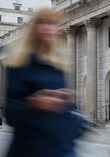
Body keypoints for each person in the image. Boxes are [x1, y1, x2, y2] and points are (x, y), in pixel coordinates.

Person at [4, 9, 81, 157]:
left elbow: (67, 110)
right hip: (30, 148)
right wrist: (35, 103)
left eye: (52, 23)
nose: (47, 27)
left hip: (61, 148)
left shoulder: (59, 65)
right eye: (42, 23)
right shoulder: (18, 62)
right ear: (33, 28)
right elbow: (10, 113)